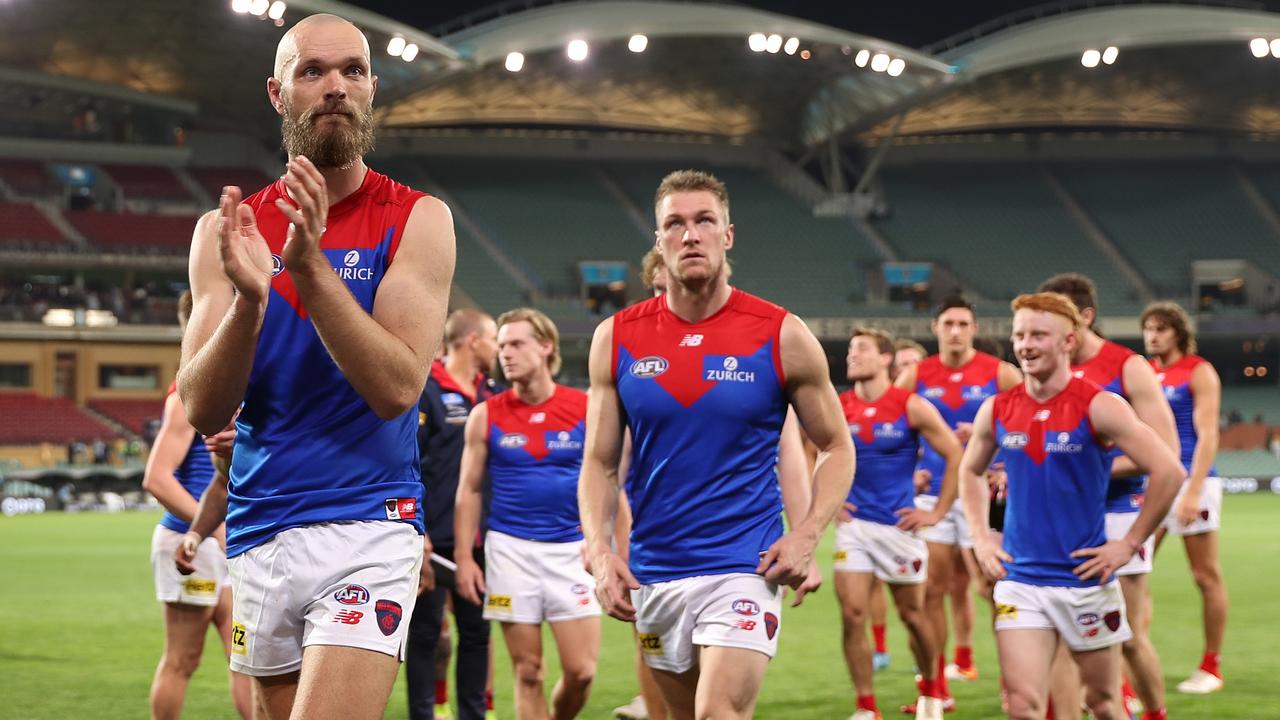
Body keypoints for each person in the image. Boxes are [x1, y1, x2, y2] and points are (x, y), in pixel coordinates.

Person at [177, 13, 454, 719]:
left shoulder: (418, 218)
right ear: (278, 93)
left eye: (352, 71)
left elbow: (396, 388)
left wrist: (311, 268)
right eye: (313, 71)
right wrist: (250, 302)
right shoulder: (226, 230)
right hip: (262, 525)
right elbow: (202, 407)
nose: (335, 87)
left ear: (371, 89)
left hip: (371, 520)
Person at [578, 169, 856, 720]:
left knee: (717, 712)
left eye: (704, 221)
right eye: (674, 224)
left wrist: (806, 533)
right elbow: (600, 463)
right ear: (659, 242)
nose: (690, 235)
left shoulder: (782, 334)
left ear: (727, 235)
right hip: (655, 570)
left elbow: (837, 446)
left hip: (743, 566)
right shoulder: (616, 338)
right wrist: (598, 548)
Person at [959, 292, 1182, 720]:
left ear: (1068, 341)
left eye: (1039, 334)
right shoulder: (998, 409)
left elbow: (1168, 469)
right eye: (1020, 334)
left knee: (1102, 703)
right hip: (1021, 580)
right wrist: (981, 536)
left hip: (1085, 581)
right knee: (1024, 706)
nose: (1026, 344)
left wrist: (1130, 543)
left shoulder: (1100, 405)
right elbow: (969, 472)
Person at [1038, 274, 1179, 720]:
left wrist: (1088, 469)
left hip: (1120, 513)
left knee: (1130, 637)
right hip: (1063, 521)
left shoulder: (1126, 366)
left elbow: (1166, 451)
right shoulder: (1046, 371)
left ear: (1085, 317)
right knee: (1061, 637)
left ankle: (1155, 713)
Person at [454, 308, 600, 719]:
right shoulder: (486, 414)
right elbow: (470, 490)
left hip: (573, 551)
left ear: (546, 346)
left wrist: (606, 546)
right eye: (501, 345)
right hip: (509, 552)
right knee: (528, 671)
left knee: (582, 671)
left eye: (516, 344)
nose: (506, 354)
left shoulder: (584, 407)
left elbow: (608, 484)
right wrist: (466, 558)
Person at [894, 296, 1021, 707]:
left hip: (983, 495)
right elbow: (892, 431)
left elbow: (1032, 420)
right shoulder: (914, 376)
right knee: (932, 589)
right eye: (948, 323)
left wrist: (1001, 459)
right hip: (934, 497)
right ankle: (937, 691)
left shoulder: (1000, 374)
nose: (955, 331)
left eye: (963, 324)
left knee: (993, 586)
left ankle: (1014, 683)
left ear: (974, 329)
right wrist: (909, 470)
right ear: (935, 328)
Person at [836, 327, 964, 720]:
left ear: (885, 358)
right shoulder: (839, 406)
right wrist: (829, 500)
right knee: (853, 614)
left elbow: (954, 452)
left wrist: (937, 512)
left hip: (899, 527)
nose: (851, 356)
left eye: (861, 350)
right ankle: (866, 705)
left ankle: (929, 690)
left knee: (913, 615)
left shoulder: (910, 405)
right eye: (850, 350)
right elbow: (808, 451)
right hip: (854, 528)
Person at [143, 291, 250, 720]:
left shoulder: (232, 388)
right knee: (182, 660)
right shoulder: (184, 395)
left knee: (245, 658)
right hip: (195, 541)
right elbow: (156, 478)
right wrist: (210, 529)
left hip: (224, 542)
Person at [409, 308, 502, 720]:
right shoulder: (427, 390)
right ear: (473, 341)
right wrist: (418, 532)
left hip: (481, 538)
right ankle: (423, 715)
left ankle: (473, 715)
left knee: (478, 635)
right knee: (426, 634)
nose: (499, 348)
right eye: (495, 339)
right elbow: (409, 463)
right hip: (434, 536)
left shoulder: (493, 394)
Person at [1142, 301, 1229, 695]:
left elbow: (1208, 434)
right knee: (1133, 571)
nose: (1152, 336)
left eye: (1161, 329)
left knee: (1204, 575)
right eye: (1148, 329)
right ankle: (1129, 656)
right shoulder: (1144, 374)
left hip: (1194, 480)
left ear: (1178, 332)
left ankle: (1211, 666)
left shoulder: (1198, 371)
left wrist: (1193, 491)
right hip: (1153, 481)